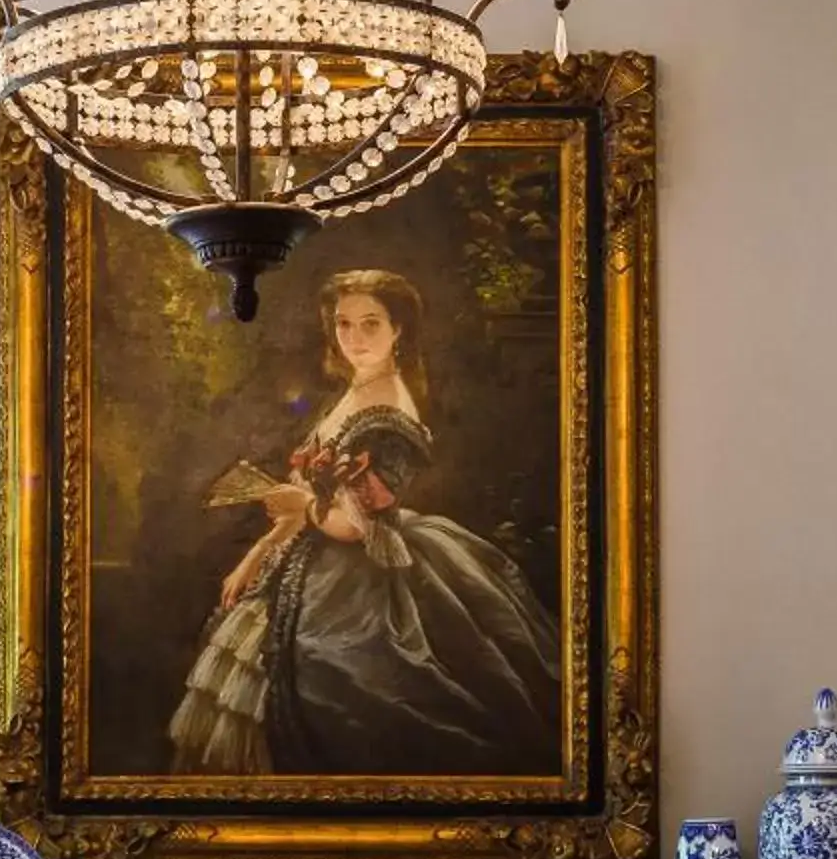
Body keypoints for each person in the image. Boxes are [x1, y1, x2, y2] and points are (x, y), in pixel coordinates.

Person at [168, 268, 560, 776]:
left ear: (399, 330)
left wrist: (301, 507)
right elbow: (314, 499)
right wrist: (255, 556)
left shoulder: (390, 411)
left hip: (359, 582)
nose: (354, 338)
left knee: (344, 692)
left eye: (370, 324)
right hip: (308, 561)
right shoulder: (356, 393)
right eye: (344, 324)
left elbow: (353, 527)